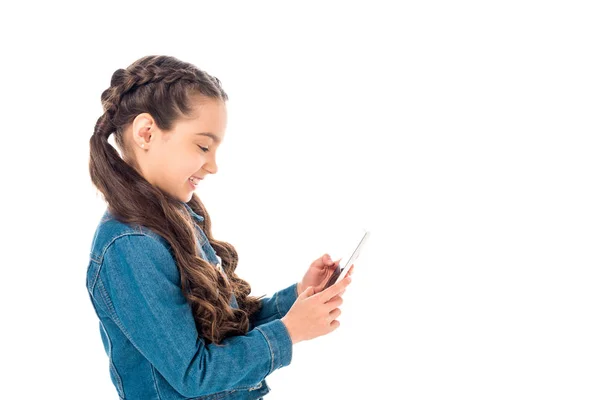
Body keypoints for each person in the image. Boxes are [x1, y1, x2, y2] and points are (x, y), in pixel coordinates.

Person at [86, 55, 354, 400]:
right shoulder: (130, 246)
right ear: (146, 133)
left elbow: (223, 332)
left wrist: (298, 298)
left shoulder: (178, 219)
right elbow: (194, 373)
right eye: (202, 146)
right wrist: (288, 332)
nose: (212, 165)